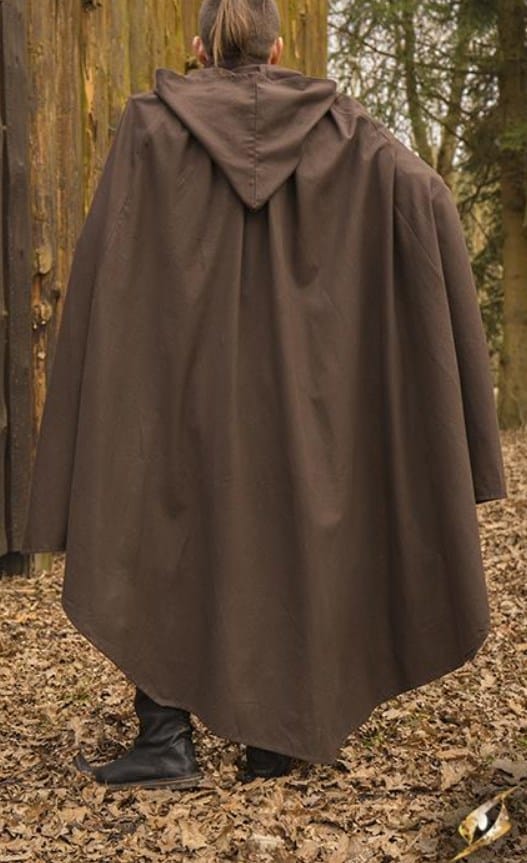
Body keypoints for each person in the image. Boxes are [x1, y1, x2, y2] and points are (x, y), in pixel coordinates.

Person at [21, 0, 507, 790]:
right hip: (298, 388)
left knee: (160, 519)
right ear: (278, 51)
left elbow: (113, 252)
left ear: (199, 48)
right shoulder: (342, 128)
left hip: (179, 380)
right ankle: (274, 743)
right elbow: (427, 197)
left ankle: (167, 737)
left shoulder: (151, 125)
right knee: (291, 525)